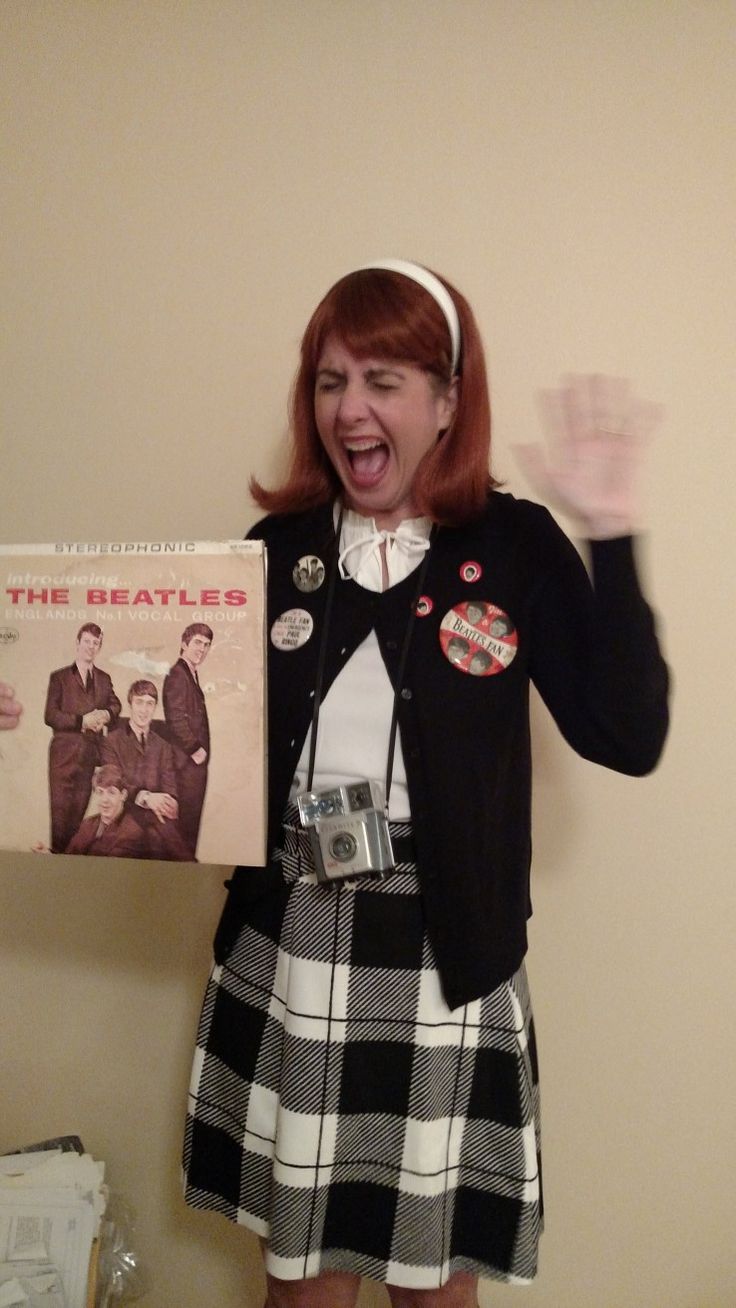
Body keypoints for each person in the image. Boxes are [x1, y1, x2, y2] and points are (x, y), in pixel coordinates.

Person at [182, 260, 669, 1308]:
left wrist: (612, 539)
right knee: (302, 1281)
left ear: (448, 400)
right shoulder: (276, 551)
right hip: (295, 939)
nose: (348, 407)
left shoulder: (514, 544)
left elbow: (627, 735)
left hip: (447, 949)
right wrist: (41, 720)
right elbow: (191, 744)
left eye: (383, 379)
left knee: (431, 1285)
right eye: (328, 380)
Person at [44, 623, 122, 853]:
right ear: (78, 643)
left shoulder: (104, 679)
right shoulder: (59, 677)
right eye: (87, 641)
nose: (91, 647)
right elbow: (50, 715)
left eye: (95, 643)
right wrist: (82, 722)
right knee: (59, 823)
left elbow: (116, 705)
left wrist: (107, 713)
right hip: (63, 758)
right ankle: (57, 865)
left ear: (99, 648)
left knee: (78, 822)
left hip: (89, 758)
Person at [103, 680, 190, 861]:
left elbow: (170, 785)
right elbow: (115, 780)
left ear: (155, 707)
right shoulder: (112, 741)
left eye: (149, 703)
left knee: (159, 840)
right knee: (166, 845)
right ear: (130, 704)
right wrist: (147, 798)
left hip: (156, 815)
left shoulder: (163, 746)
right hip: (125, 812)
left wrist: (171, 802)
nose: (144, 710)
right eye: (139, 702)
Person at [162, 623, 213, 858]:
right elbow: (175, 718)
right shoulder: (177, 674)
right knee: (185, 825)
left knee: (190, 824)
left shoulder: (189, 673)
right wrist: (196, 750)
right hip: (186, 765)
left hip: (192, 765)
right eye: (197, 643)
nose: (202, 649)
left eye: (206, 645)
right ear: (184, 644)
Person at [65, 764, 146, 858]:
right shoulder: (88, 824)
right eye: (100, 792)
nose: (104, 800)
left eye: (111, 792)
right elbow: (69, 857)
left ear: (123, 795)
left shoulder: (132, 832)